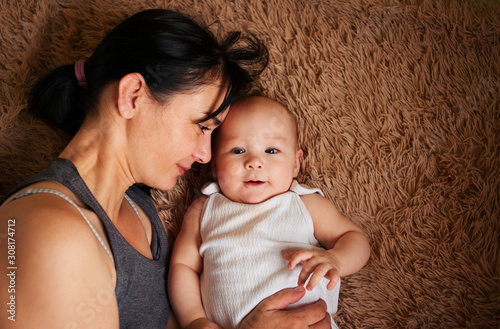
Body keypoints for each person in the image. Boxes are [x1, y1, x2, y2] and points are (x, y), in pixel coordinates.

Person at [0, 9, 332, 329]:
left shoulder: (136, 201)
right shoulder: (50, 234)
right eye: (202, 126)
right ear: (133, 96)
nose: (206, 155)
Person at [168, 96, 371, 329]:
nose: (254, 162)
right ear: (214, 165)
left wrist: (337, 259)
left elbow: (356, 239)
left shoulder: (305, 204)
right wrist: (193, 319)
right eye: (238, 150)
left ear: (296, 163)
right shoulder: (205, 209)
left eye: (271, 150)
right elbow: (183, 267)